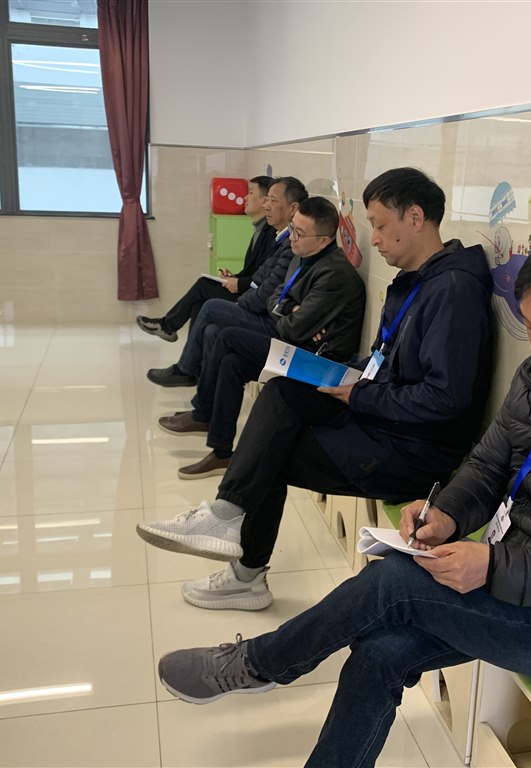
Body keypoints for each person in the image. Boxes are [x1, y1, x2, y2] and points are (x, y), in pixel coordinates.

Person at [154, 232, 531, 768]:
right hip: (522, 575)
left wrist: (493, 566)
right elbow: (489, 464)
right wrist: (447, 512)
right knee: (380, 650)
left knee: (395, 582)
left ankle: (260, 664)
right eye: (530, 329)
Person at [136, 167, 494, 610]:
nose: (375, 240)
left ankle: (244, 572)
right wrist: (345, 373)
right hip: (384, 415)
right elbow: (388, 361)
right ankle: (226, 518)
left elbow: (446, 399)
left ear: (415, 217)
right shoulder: (419, 281)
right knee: (283, 390)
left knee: (270, 453)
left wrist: (359, 393)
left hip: (412, 451)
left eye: (380, 226)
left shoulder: (453, 291)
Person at [158, 196, 367, 480]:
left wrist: (288, 311)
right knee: (231, 362)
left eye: (299, 233)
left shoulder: (335, 274)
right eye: (292, 228)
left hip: (318, 362)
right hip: (295, 344)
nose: (292, 237)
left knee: (227, 335)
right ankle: (221, 452)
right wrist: (291, 308)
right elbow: (274, 298)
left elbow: (292, 328)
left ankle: (203, 412)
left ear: (324, 240)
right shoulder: (302, 256)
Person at [146, 177, 307, 387]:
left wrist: (240, 295)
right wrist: (238, 281)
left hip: (268, 318)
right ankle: (200, 388)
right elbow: (260, 278)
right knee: (207, 317)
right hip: (254, 299)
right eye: (267, 199)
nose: (266, 205)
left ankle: (185, 366)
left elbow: (268, 292)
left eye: (272, 200)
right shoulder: (277, 237)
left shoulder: (287, 244)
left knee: (210, 303)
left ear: (293, 208)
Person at [136, 175, 276, 342]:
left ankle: (168, 327)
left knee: (203, 286)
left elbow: (265, 279)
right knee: (199, 302)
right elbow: (255, 271)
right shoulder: (259, 229)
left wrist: (239, 282)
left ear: (265, 201)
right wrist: (234, 277)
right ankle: (190, 352)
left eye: (251, 192)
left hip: (253, 297)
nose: (245, 197)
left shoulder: (271, 234)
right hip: (247, 289)